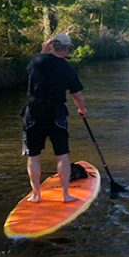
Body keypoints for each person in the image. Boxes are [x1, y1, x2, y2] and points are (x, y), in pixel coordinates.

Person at [22, 33, 87, 203]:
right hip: (56, 113)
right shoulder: (68, 69)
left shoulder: (36, 60)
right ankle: (66, 195)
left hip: (33, 112)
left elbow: (40, 60)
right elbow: (77, 95)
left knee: (33, 155)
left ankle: (36, 195)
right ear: (66, 49)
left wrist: (44, 49)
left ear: (52, 46)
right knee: (62, 155)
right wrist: (82, 109)